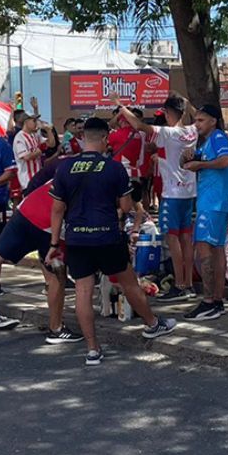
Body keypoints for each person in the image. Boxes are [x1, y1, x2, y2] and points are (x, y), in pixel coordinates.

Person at [46, 117, 176, 365]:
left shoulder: (64, 168)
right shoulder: (114, 168)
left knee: (83, 291)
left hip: (76, 238)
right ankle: (152, 324)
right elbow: (127, 206)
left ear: (83, 138)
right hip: (107, 235)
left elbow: (57, 209)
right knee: (129, 283)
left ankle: (93, 350)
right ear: (105, 139)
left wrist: (54, 244)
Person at [114, 95, 199, 304]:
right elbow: (198, 116)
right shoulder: (193, 130)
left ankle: (179, 286)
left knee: (172, 238)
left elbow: (139, 125)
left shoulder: (168, 133)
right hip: (189, 192)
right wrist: (188, 104)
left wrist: (122, 108)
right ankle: (188, 284)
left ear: (169, 113)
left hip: (171, 194)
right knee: (186, 238)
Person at [0, 153, 79, 342]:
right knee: (57, 274)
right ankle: (56, 329)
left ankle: (57, 328)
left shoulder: (65, 162)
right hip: (51, 224)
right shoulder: (98, 175)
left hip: (28, 209)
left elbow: (39, 180)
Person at [181, 104, 228, 321]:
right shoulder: (205, 143)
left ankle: (208, 301)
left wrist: (201, 165)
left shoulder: (218, 137)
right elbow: (186, 164)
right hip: (214, 201)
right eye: (195, 120)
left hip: (214, 202)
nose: (197, 124)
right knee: (216, 249)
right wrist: (189, 158)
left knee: (203, 248)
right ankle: (217, 301)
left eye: (201, 120)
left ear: (213, 121)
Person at [12, 113, 46, 190]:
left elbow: (51, 144)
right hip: (28, 181)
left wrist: (48, 130)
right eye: (34, 121)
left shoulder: (35, 135)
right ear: (26, 122)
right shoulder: (19, 138)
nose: (36, 123)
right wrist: (40, 150)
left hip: (39, 179)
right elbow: (26, 157)